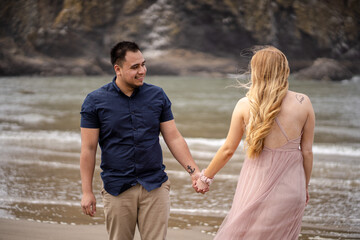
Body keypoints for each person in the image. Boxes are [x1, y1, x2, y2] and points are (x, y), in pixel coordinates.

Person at [80, 41, 201, 240]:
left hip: (155, 186)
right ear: (117, 69)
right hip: (117, 188)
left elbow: (174, 137)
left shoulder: (157, 95)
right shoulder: (95, 101)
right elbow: (88, 149)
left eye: (143, 64)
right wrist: (87, 192)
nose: (142, 71)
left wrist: (194, 172)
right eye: (135, 67)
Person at [196, 46, 315, 239]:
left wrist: (205, 177)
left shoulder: (245, 105)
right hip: (294, 189)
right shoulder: (304, 102)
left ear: (256, 71)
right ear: (285, 70)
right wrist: (305, 186)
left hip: (255, 187)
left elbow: (228, 149)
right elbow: (307, 152)